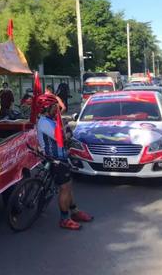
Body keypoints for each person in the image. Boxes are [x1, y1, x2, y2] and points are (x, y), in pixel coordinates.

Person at [35, 94, 93, 230]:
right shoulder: (44, 123)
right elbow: (62, 137)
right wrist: (67, 130)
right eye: (54, 107)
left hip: (61, 157)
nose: (57, 109)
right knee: (64, 188)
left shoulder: (49, 119)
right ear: (47, 108)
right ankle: (64, 219)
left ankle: (74, 211)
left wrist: (64, 124)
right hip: (55, 159)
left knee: (68, 185)